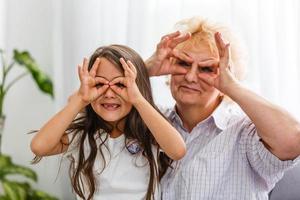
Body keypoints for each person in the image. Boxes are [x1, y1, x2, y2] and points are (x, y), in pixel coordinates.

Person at [145, 17, 300, 199]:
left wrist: (232, 87)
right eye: (184, 63)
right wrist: (145, 69)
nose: (190, 77)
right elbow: (105, 101)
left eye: (207, 69)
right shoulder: (151, 121)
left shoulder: (244, 133)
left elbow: (293, 139)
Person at [30, 44, 186, 200]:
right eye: (99, 84)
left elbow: (178, 151)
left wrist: (138, 99)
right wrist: (80, 99)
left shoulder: (148, 128)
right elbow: (39, 146)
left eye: (120, 84)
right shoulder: (81, 134)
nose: (109, 93)